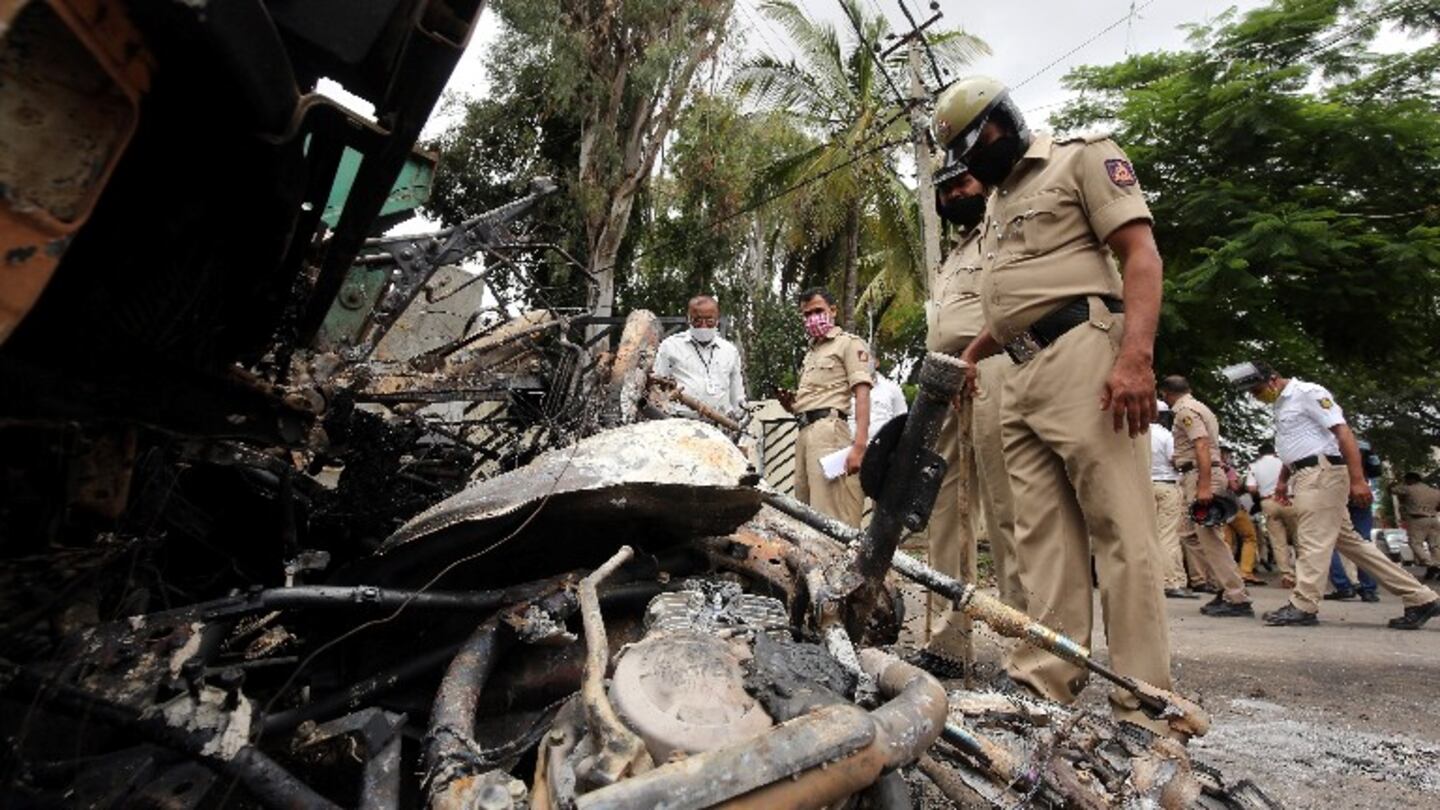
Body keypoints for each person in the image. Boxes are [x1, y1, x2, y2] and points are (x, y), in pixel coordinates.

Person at [940, 75, 1172, 731]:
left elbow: (1141, 255)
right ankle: (1044, 684)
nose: (969, 158)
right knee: (1040, 540)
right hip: (1019, 368)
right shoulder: (1000, 200)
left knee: (1121, 531)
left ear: (1002, 120)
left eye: (972, 140)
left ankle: (1145, 702)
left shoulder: (1082, 156)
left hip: (1086, 352)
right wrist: (973, 353)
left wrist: (1136, 357)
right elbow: (1015, 296)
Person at [1223, 360, 1440, 629]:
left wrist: (1359, 480)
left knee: (1311, 539)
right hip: (1305, 475)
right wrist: (1282, 481)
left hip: (1322, 474)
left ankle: (1304, 605)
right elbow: (1295, 447)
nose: (1256, 396)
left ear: (1273, 378)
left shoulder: (1308, 393)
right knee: (1353, 545)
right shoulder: (1281, 404)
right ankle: (1421, 598)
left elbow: (1343, 433)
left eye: (1257, 390)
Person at [1159, 376, 1254, 617]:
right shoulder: (1200, 406)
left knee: (1210, 538)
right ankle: (1227, 586)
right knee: (1192, 534)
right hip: (1202, 472)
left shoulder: (1184, 410)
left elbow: (1201, 445)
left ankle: (1236, 596)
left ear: (1165, 393)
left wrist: (1203, 486)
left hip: (1202, 475)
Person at [777, 288, 872, 528]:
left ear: (833, 311)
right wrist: (792, 405)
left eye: (818, 311)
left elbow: (862, 392)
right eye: (806, 314)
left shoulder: (848, 344)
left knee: (831, 516)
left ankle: (842, 565)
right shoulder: (810, 353)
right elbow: (812, 399)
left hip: (829, 432)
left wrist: (859, 446)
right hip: (804, 432)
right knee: (806, 513)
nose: (812, 318)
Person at [653, 295, 746, 419]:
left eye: (709, 321)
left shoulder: (729, 350)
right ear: (688, 319)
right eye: (697, 320)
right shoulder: (670, 346)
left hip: (721, 423)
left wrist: (740, 420)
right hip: (682, 422)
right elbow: (656, 388)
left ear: (717, 319)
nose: (703, 326)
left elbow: (737, 394)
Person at [1151, 401, 1195, 598]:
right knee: (1168, 536)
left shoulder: (1133, 435)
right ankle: (1170, 582)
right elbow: (1175, 460)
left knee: (1149, 536)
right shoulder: (1165, 435)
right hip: (1167, 486)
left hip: (1143, 487)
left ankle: (1155, 580)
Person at [1247, 441, 1299, 587]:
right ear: (1274, 452)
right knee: (1298, 538)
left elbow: (1251, 488)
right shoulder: (1284, 462)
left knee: (1278, 541)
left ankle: (1287, 576)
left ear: (1260, 453)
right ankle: (1305, 573)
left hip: (1268, 502)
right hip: (1288, 500)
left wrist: (1262, 492)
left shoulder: (1254, 466)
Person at [1392, 472, 1440, 580]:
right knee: (1435, 545)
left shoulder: (1409, 489)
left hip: (1417, 519)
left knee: (1415, 543)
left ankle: (1430, 564)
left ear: (1411, 480)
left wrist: (1396, 482)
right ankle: (1438, 565)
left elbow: (1392, 490)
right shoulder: (1435, 491)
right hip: (1433, 519)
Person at [850, 358, 907, 437]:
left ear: (876, 363)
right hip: (848, 446)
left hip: (882, 446)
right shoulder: (841, 390)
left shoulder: (892, 389)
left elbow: (902, 423)